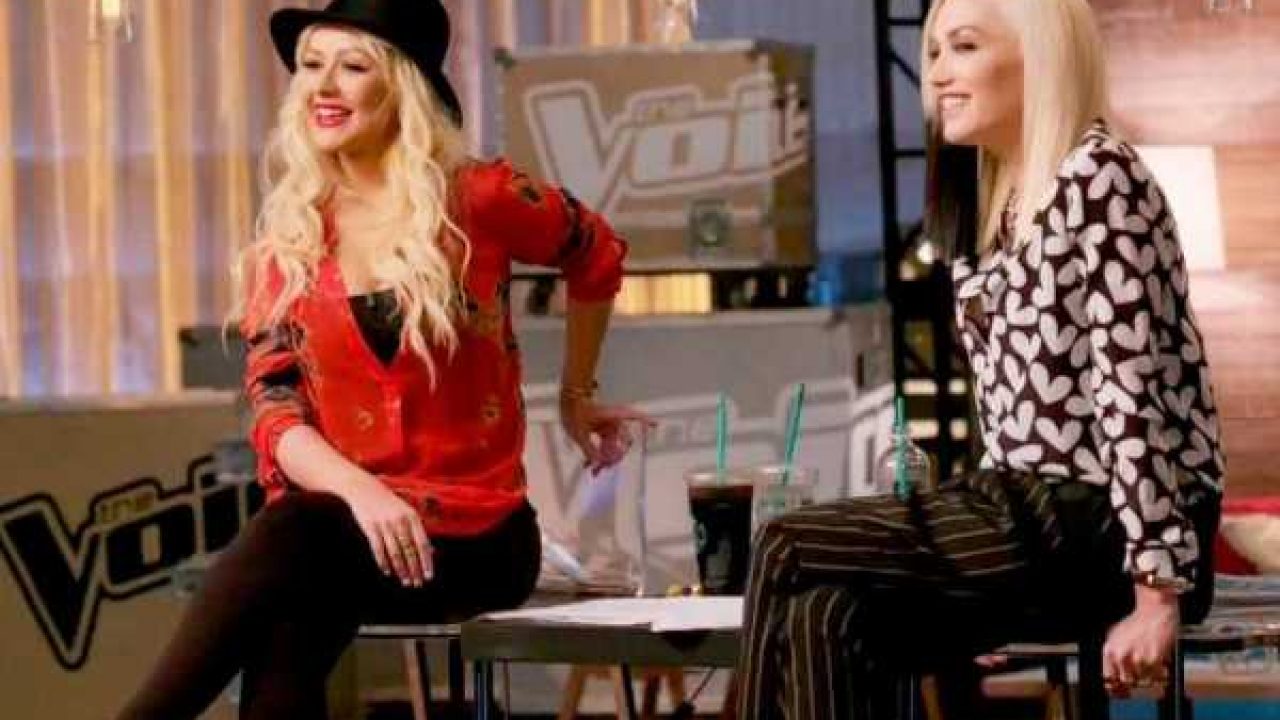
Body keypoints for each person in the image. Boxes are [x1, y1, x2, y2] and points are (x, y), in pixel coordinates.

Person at [116, 1, 644, 718]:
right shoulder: (291, 240)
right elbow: (276, 414)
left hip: (476, 540)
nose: (323, 86)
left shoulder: (479, 197)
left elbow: (595, 251)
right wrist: (364, 493)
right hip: (346, 533)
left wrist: (576, 394)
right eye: (311, 66)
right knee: (292, 608)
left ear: (402, 87)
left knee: (291, 547)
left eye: (353, 67)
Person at [734, 0, 1225, 717]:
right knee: (827, 611)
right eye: (933, 53)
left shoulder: (1100, 174)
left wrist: (1157, 593)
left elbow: (1132, 392)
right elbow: (1007, 415)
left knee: (783, 543)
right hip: (1025, 509)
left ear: (1041, 57)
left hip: (1110, 521)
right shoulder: (987, 197)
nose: (938, 74)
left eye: (964, 47)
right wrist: (971, 585)